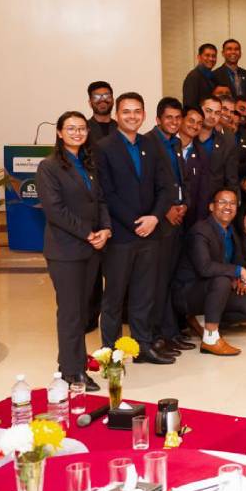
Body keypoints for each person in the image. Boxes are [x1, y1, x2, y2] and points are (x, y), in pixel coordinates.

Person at [93, 92, 175, 364]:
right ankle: (111, 353)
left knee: (144, 294)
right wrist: (135, 222)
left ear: (144, 115)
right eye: (126, 111)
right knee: (115, 297)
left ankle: (142, 346)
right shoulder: (103, 147)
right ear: (117, 115)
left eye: (137, 111)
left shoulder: (152, 144)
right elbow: (106, 193)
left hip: (151, 233)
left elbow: (166, 187)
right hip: (120, 235)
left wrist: (154, 218)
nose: (132, 116)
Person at [37, 111, 112, 390]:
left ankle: (69, 362)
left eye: (81, 128)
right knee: (71, 312)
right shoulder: (49, 167)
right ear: (59, 132)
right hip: (65, 250)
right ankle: (72, 372)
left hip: (91, 249)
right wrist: (88, 233)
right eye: (71, 128)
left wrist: (106, 229)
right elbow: (55, 210)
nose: (77, 133)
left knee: (83, 310)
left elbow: (100, 201)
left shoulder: (88, 163)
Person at [177, 187, 246, 356]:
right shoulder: (200, 230)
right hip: (189, 292)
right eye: (222, 202)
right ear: (211, 206)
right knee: (221, 281)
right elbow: (204, 268)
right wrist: (237, 271)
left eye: (232, 203)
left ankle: (203, 319)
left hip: (215, 289)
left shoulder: (231, 231)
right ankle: (210, 338)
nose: (228, 206)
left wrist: (239, 280)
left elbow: (237, 260)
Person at [144, 98, 190, 358]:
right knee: (156, 283)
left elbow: (180, 181)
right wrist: (165, 210)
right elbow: (148, 185)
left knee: (169, 281)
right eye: (169, 117)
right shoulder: (149, 143)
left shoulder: (175, 143)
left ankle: (170, 332)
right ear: (158, 119)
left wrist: (183, 205)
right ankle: (156, 336)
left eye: (177, 118)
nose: (174, 122)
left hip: (177, 219)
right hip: (160, 223)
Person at [183, 43, 219, 109]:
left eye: (213, 56)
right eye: (207, 55)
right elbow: (189, 104)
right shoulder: (193, 77)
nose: (211, 59)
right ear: (199, 57)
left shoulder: (213, 76)